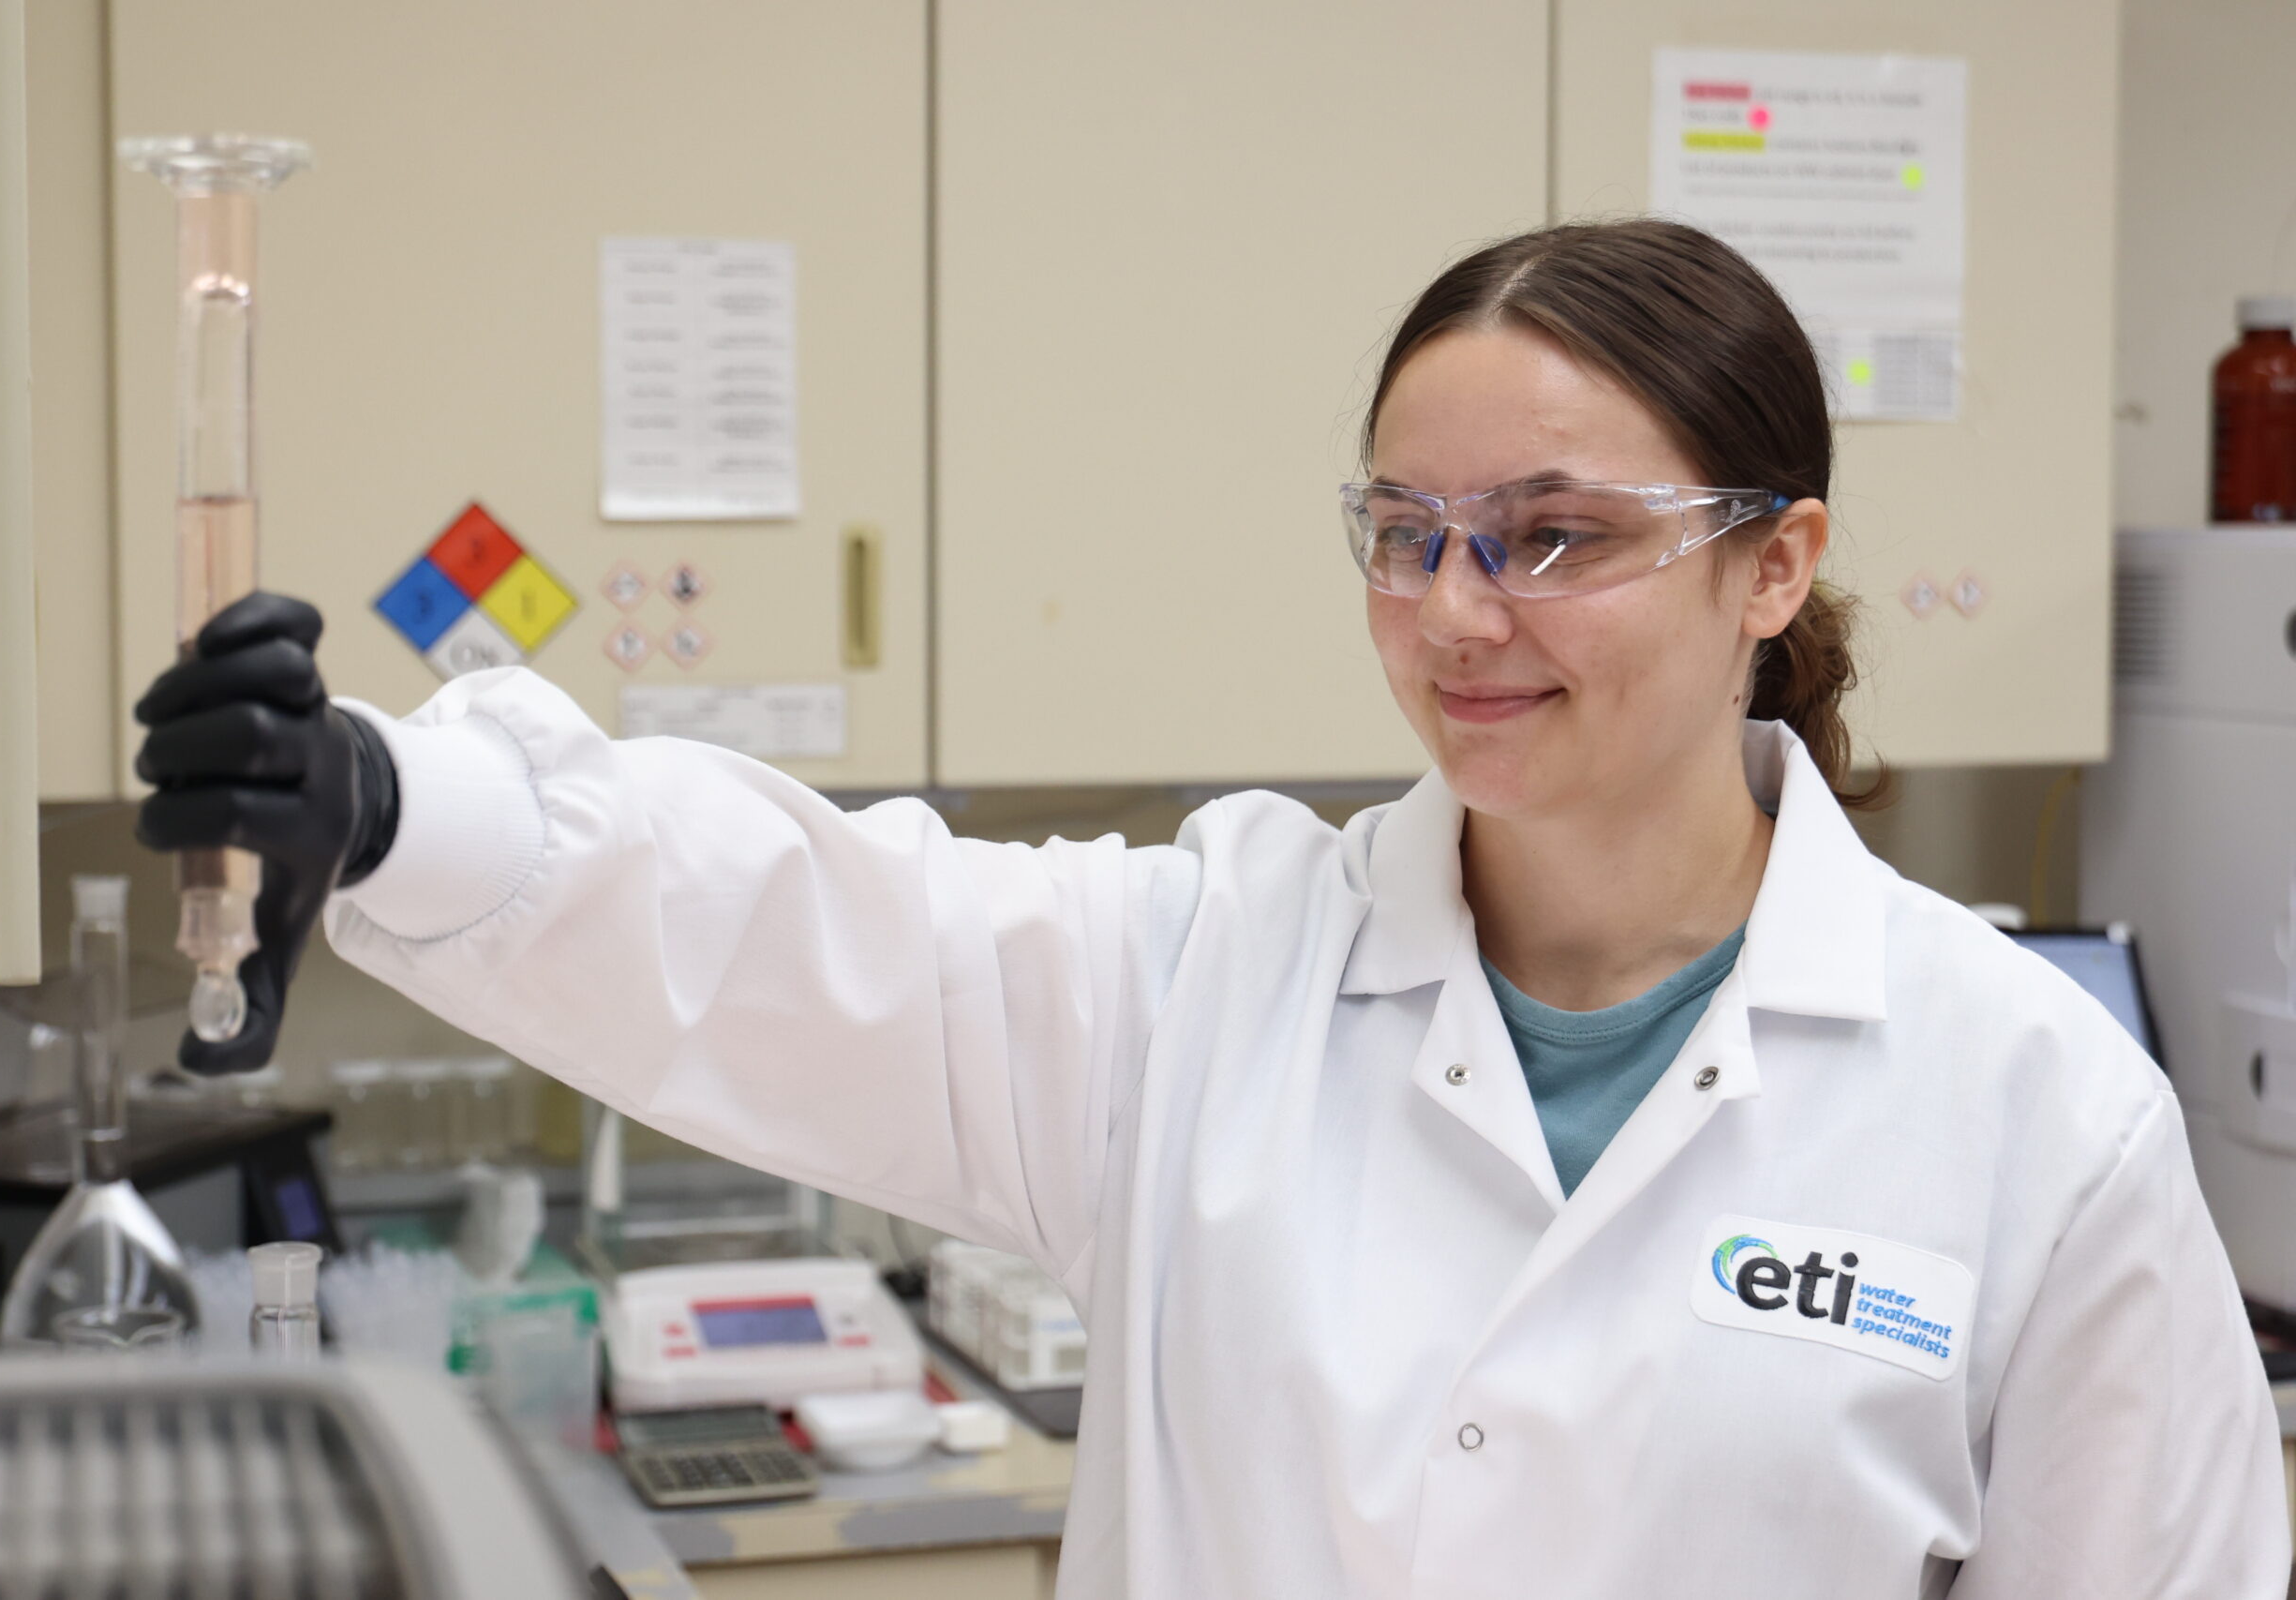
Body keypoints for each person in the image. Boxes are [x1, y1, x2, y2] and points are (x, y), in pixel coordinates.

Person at [134, 219, 2288, 1598]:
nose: (1457, 610)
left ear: (1772, 562)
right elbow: (800, 931)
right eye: (1406, 529)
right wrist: (392, 798)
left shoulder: (2024, 1112)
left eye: (1550, 536)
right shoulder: (1210, 966)